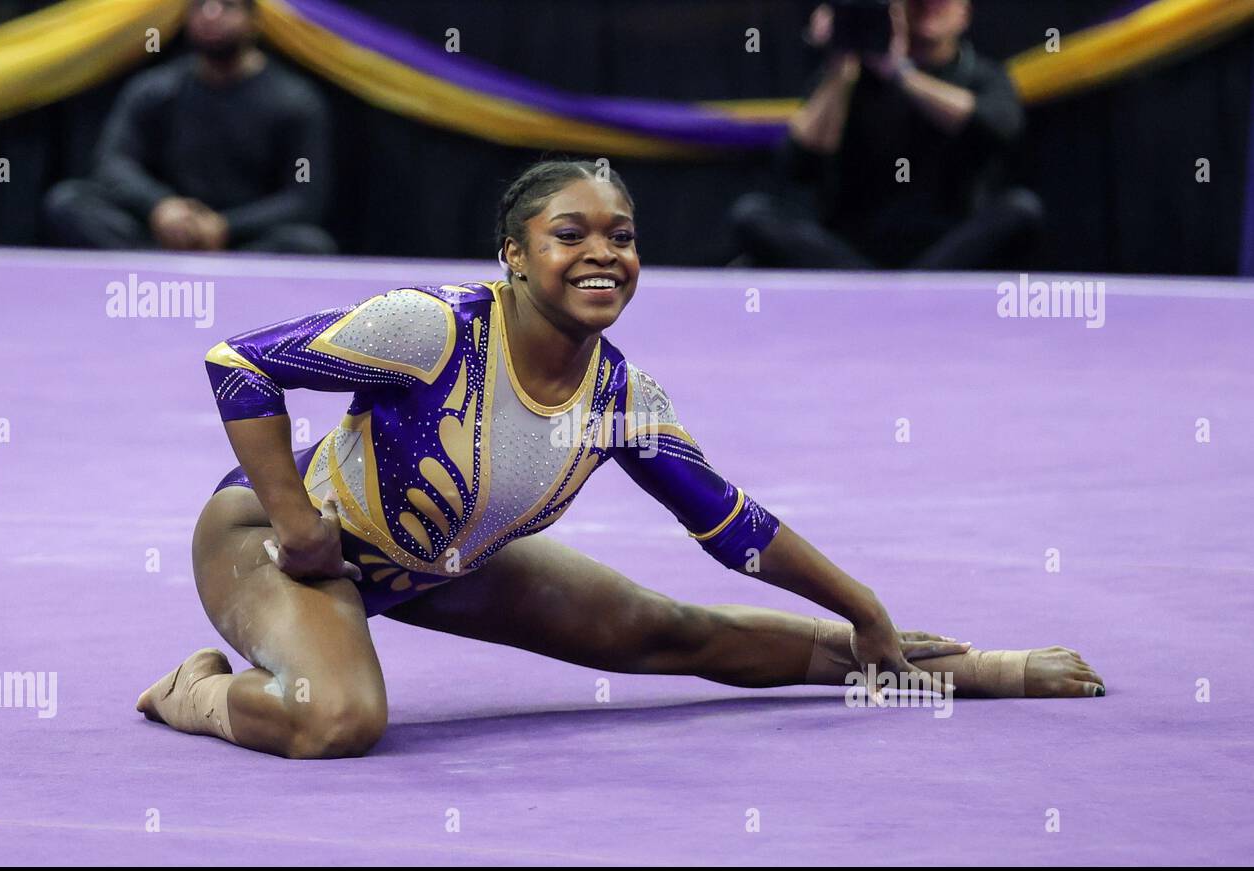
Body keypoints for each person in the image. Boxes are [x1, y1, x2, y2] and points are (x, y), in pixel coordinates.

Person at [137, 159, 1103, 759]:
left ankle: (941, 669)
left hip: (436, 560)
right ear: (513, 254)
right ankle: (199, 693)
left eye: (623, 236)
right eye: (571, 234)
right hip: (268, 543)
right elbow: (240, 365)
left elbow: (737, 531)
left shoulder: (619, 404)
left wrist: (868, 610)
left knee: (671, 631)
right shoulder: (429, 331)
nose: (604, 253)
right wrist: (297, 522)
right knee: (337, 720)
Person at [731, 0, 1043, 270]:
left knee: (1021, 209)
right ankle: (879, 288)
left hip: (947, 246)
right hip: (850, 248)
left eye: (941, 3)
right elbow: (797, 163)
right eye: (917, 3)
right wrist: (842, 64)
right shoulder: (850, 77)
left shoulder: (980, 75)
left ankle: (901, 291)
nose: (929, 9)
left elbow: (998, 128)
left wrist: (900, 74)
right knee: (752, 214)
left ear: (965, 14)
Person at [44, 0, 335, 254]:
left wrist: (225, 226)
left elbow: (302, 199)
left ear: (254, 22)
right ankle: (158, 275)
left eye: (228, 6)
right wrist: (160, 206)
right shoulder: (155, 90)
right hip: (160, 233)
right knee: (70, 201)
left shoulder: (295, 101)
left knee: (308, 243)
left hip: (239, 243)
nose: (211, 14)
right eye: (200, 5)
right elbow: (113, 163)